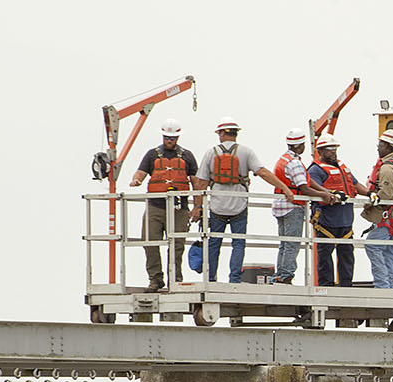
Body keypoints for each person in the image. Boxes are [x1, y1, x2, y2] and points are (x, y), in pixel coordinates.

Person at [191, 117, 295, 283]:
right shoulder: (246, 152)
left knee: (213, 243)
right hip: (239, 206)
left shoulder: (211, 153)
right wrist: (285, 188)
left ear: (221, 134)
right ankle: (234, 279)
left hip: (217, 205)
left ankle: (210, 278)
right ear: (236, 133)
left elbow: (201, 183)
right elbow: (263, 173)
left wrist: (197, 207)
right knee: (238, 244)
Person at [128, 118, 198, 291]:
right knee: (150, 242)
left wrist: (198, 207)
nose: (169, 140)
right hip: (155, 206)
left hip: (179, 208)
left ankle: (176, 279)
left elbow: (197, 183)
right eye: (167, 137)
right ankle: (155, 279)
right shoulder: (152, 155)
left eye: (173, 138)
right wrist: (136, 180)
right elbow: (141, 172)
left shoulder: (187, 156)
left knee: (177, 245)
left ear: (178, 138)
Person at [271, 128, 332, 284]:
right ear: (300, 146)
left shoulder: (283, 160)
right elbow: (304, 188)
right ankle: (286, 275)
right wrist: (324, 195)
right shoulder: (295, 163)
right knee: (292, 243)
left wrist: (325, 191)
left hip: (280, 207)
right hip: (292, 207)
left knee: (284, 243)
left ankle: (280, 273)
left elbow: (307, 181)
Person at [306, 135, 367, 287]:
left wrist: (370, 193)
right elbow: (315, 189)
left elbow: (355, 184)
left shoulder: (342, 167)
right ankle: (326, 285)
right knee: (325, 255)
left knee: (347, 254)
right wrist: (333, 193)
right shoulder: (315, 170)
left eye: (335, 149)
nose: (333, 152)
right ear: (320, 151)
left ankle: (346, 285)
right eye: (329, 149)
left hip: (345, 220)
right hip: (327, 220)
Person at [361, 129, 393, 289]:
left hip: (388, 215)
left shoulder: (388, 168)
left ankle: (382, 285)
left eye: (381, 144)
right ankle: (388, 284)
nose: (378, 147)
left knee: (372, 245)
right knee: (390, 250)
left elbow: (385, 194)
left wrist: (369, 202)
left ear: (389, 146)